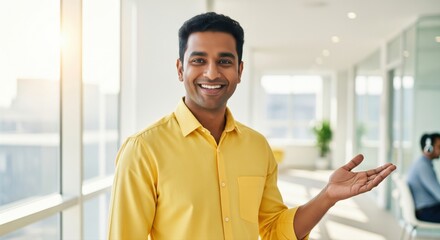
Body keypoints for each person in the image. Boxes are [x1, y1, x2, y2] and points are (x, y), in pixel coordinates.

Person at [107, 12, 397, 240]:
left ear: (239, 71)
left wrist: (327, 197)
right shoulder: (143, 150)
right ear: (180, 68)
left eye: (224, 61)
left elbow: (273, 230)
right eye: (198, 60)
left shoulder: (257, 146)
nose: (212, 72)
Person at [407, 132, 440, 223]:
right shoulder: (423, 166)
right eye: (439, 146)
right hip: (427, 211)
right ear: (428, 148)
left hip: (429, 209)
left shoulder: (422, 163)